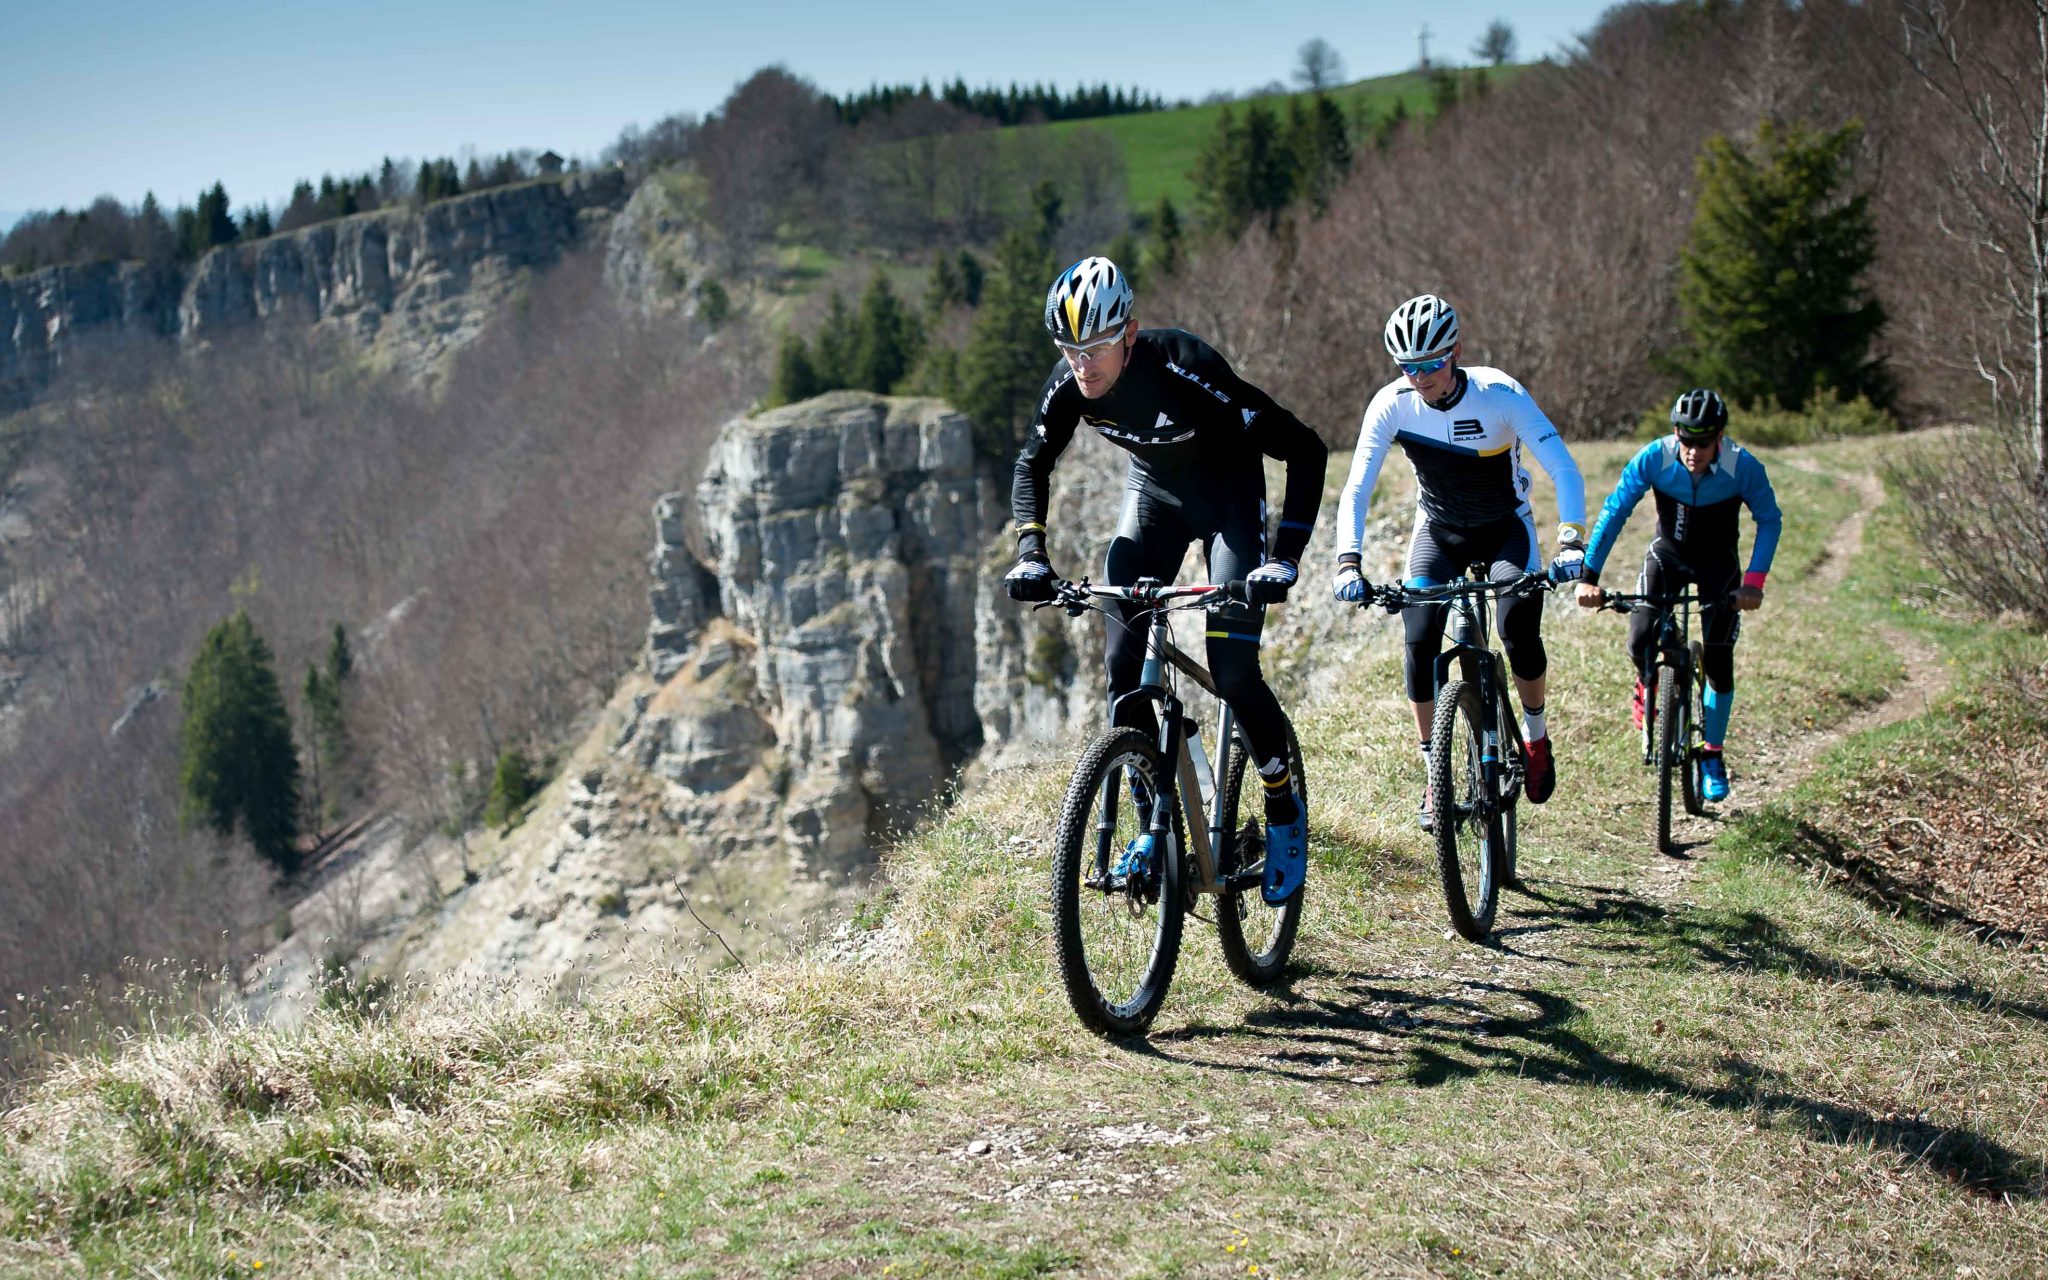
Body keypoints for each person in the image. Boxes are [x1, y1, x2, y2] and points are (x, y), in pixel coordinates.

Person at [1005, 256, 1328, 905]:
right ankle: (1157, 823)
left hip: (1229, 499)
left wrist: (1284, 558)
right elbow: (1032, 462)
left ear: (1129, 332)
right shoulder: (1070, 385)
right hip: (1154, 495)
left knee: (1232, 666)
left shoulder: (1187, 367)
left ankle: (1282, 804)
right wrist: (1032, 552)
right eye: (1068, 349)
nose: (1082, 364)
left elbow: (1305, 448)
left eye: (1095, 347)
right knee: (1124, 666)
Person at [1331, 294, 1587, 824]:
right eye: (1408, 366)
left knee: (1517, 628)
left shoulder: (1499, 394)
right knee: (1419, 636)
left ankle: (1536, 739)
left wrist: (1570, 542)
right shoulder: (1391, 404)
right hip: (1439, 533)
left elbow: (1563, 468)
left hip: (1504, 531)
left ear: (1456, 353)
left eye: (1431, 364)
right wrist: (1348, 562)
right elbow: (1357, 488)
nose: (1420, 377)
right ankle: (1433, 773)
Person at [1574, 388, 1780, 801]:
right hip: (1668, 555)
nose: (1693, 452)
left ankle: (1712, 755)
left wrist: (1753, 584)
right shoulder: (1655, 456)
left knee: (1719, 659)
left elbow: (1769, 520)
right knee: (1640, 636)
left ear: (1719, 436)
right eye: (1686, 441)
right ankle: (1648, 682)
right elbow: (1616, 510)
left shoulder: (1742, 466)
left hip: (1718, 565)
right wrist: (1588, 576)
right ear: (1675, 433)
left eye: (1703, 443)